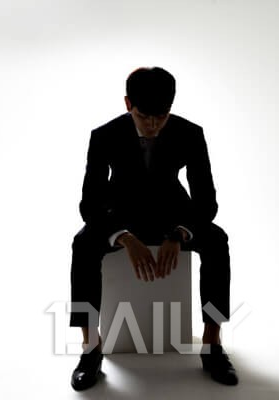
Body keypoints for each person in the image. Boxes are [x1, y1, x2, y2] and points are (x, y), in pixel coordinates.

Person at [69, 67, 238, 390]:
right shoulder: (104, 136)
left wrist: (179, 233)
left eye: (161, 117)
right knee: (83, 243)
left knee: (217, 240)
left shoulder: (190, 133)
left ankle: (212, 343)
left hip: (173, 216)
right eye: (144, 116)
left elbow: (207, 203)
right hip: (121, 215)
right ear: (127, 104)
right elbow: (89, 205)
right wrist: (124, 237)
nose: (152, 125)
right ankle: (90, 347)